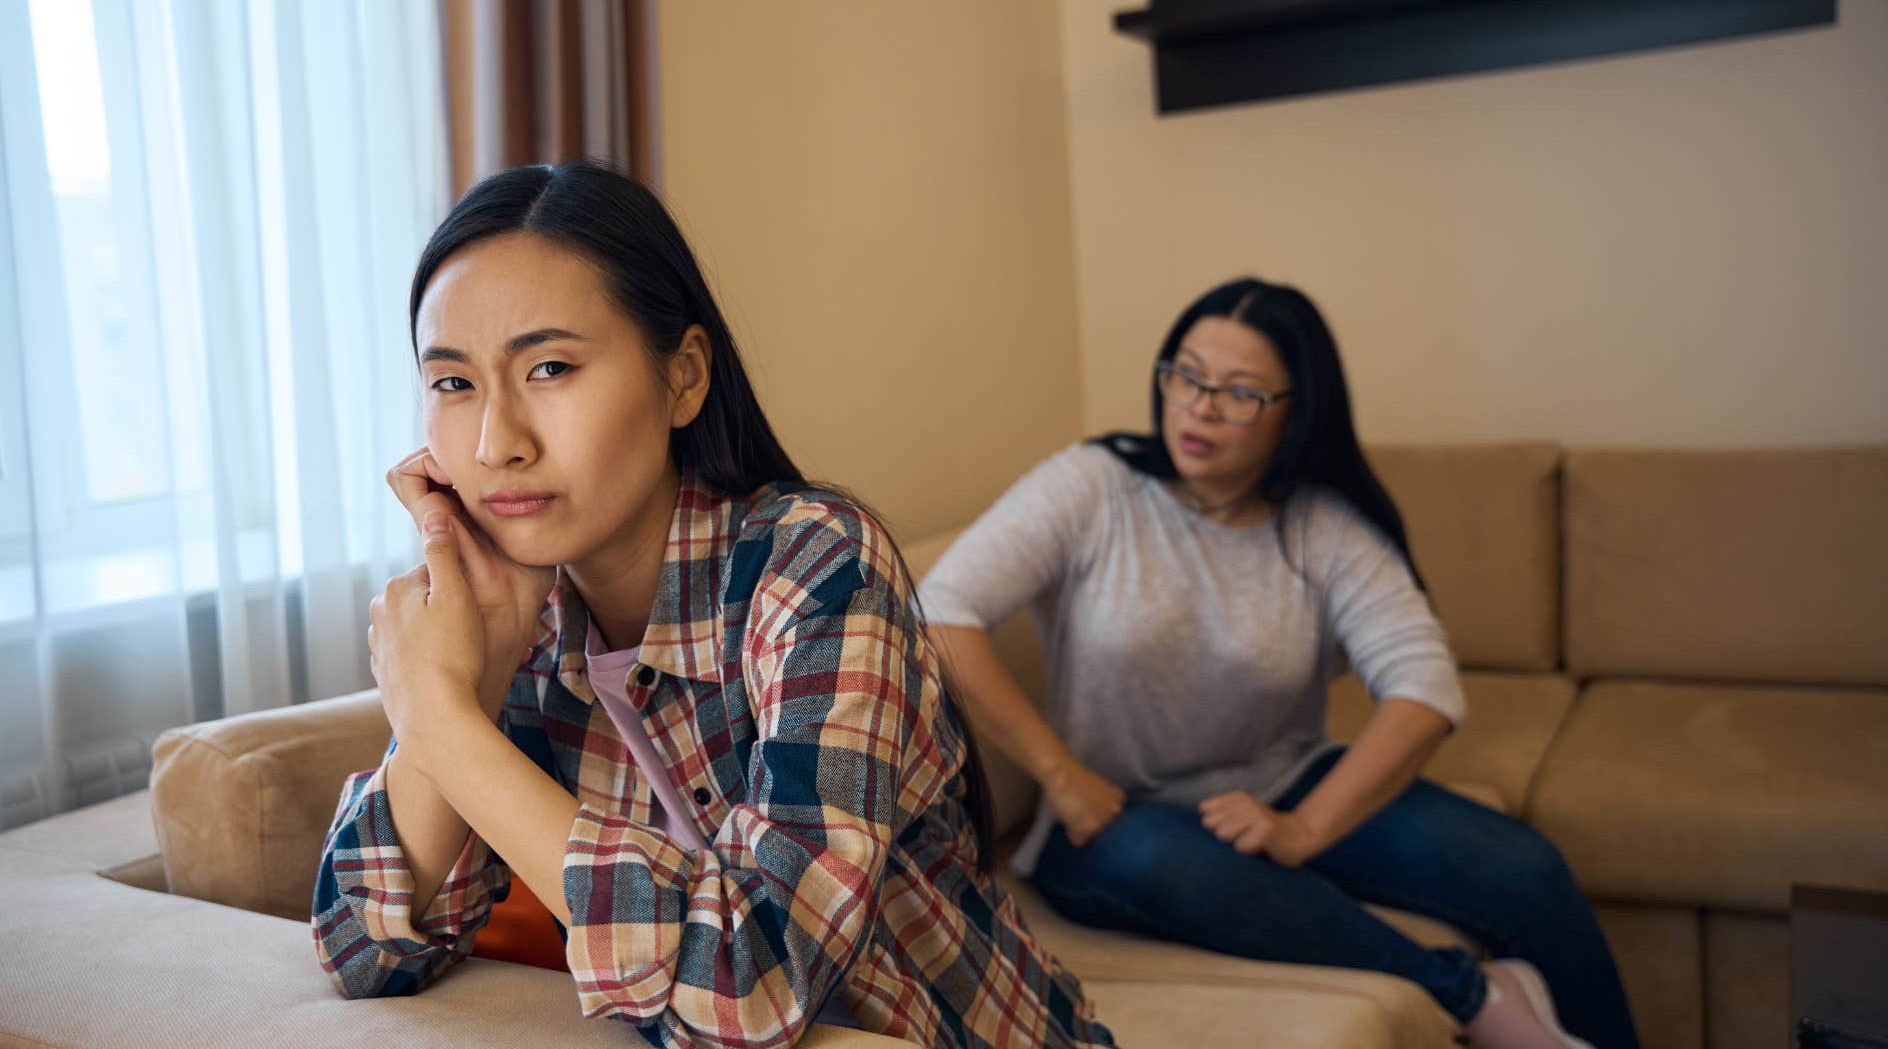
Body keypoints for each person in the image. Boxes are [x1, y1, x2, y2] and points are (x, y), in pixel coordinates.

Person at [311, 160, 1116, 1049]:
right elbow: (361, 953)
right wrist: (475, 674)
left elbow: (754, 988)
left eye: (549, 367)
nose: (498, 442)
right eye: (453, 383)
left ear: (684, 376)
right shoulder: (514, 610)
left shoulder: (815, 565)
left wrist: (440, 721)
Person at [918, 278, 1639, 1049]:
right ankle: (1474, 997)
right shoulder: (1095, 485)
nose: (1199, 406)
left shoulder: (1323, 527)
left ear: (1296, 411)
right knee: (1169, 864)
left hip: (1281, 781)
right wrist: (1060, 774)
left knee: (1524, 869)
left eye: (1240, 393)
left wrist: (1303, 829)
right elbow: (940, 609)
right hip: (1118, 816)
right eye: (1185, 375)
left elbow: (1424, 689)